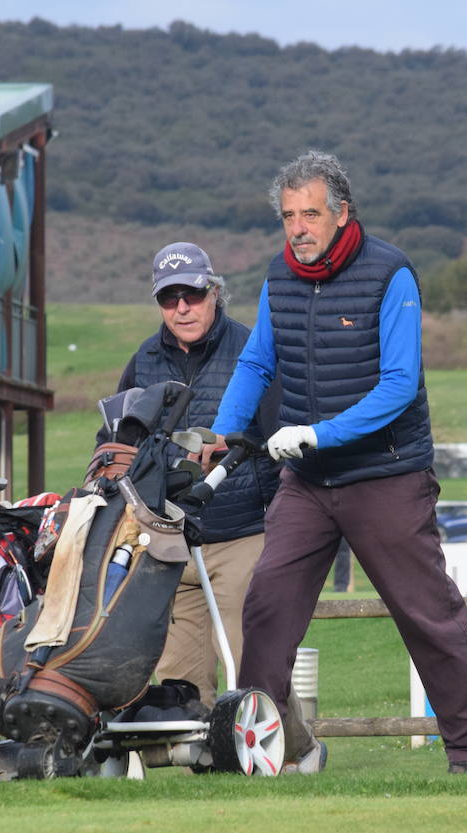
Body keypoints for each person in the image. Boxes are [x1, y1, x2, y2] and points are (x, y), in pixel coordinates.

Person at [209, 150, 467, 774]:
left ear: (343, 213)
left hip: (387, 476)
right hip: (309, 483)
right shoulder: (278, 276)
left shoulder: (390, 273)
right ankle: (256, 757)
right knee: (266, 607)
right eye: (289, 216)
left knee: (429, 618)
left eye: (310, 214)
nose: (298, 229)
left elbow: (398, 386)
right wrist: (224, 432)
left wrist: (317, 433)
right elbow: (259, 362)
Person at [98, 242, 298, 728]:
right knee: (178, 681)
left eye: (193, 293)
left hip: (242, 532)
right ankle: (198, 775)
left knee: (253, 667)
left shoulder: (254, 350)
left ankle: (292, 754)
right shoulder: (143, 361)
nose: (182, 307)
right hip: (168, 541)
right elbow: (116, 444)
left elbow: (283, 443)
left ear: (214, 292)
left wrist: (282, 528)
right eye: (170, 298)